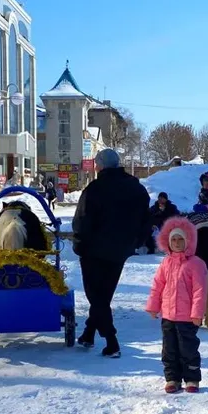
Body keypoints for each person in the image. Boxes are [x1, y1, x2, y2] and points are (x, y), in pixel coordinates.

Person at [72, 149, 150, 357]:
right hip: (120, 251)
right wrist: (135, 242)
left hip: (93, 251)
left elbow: (82, 220)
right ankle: (88, 334)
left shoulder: (95, 189)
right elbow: (147, 219)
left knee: (96, 297)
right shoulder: (136, 188)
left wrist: (79, 244)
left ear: (100, 165)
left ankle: (112, 342)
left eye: (96, 163)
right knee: (104, 295)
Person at [145, 216, 208, 393]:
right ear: (168, 242)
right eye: (174, 239)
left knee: (188, 349)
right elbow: (157, 286)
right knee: (169, 349)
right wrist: (153, 306)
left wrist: (197, 313)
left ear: (188, 241)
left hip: (187, 318)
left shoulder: (196, 264)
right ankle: (172, 378)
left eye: (181, 239)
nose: (177, 243)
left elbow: (200, 291)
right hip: (168, 316)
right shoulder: (166, 263)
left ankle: (192, 378)